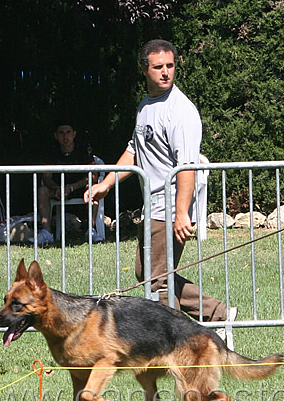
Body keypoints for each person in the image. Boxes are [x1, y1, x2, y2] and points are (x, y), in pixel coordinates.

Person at [84, 39, 236, 332]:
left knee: (158, 282)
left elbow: (186, 166)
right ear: (144, 69)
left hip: (169, 207)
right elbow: (134, 150)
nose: (166, 72)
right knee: (148, 274)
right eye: (158, 67)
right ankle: (218, 314)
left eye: (170, 66)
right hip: (152, 205)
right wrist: (105, 185)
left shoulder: (181, 111)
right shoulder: (146, 106)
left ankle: (174, 345)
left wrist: (181, 213)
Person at [30, 122, 103, 245]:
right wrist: (56, 188)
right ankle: (46, 233)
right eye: (61, 133)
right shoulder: (51, 150)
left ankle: (91, 230)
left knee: (94, 188)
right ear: (56, 135)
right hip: (58, 189)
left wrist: (71, 187)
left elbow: (93, 176)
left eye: (68, 132)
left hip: (80, 188)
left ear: (74, 134)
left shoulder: (83, 149)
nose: (65, 136)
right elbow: (46, 177)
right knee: (42, 190)